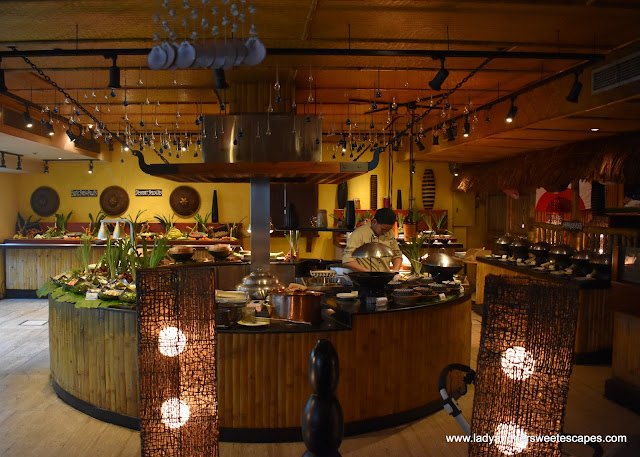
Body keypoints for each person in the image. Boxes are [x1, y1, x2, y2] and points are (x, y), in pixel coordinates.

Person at [342, 208, 403, 273]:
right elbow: (347, 260)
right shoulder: (359, 234)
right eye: (383, 229)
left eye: (388, 230)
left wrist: (395, 270)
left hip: (385, 277)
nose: (385, 233)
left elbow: (397, 255)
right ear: (374, 222)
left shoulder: (389, 233)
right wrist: (370, 274)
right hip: (364, 277)